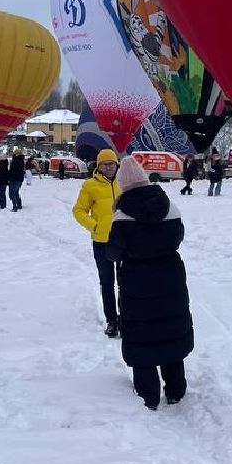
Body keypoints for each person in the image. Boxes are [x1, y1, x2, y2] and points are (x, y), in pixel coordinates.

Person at [107, 156, 193, 410]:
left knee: (142, 335)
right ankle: (176, 389)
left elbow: (113, 253)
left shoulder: (121, 216)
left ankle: (148, 395)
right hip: (171, 278)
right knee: (171, 330)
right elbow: (178, 238)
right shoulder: (171, 208)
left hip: (137, 282)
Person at [72, 150, 122, 337]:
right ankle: (112, 320)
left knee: (125, 282)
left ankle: (125, 318)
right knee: (107, 282)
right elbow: (78, 211)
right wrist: (95, 226)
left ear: (117, 164)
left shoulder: (124, 183)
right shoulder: (90, 185)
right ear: (98, 166)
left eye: (111, 163)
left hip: (123, 241)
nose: (108, 167)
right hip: (102, 242)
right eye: (104, 164)